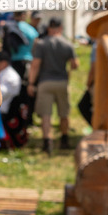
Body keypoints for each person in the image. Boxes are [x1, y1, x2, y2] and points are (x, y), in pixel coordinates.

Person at [27, 17, 78, 154]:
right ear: (61, 28)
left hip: (45, 82)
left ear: (49, 28)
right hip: (62, 82)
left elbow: (35, 65)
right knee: (64, 113)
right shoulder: (68, 44)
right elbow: (75, 64)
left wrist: (31, 83)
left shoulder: (42, 44)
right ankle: (64, 140)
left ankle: (47, 142)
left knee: (46, 115)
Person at [2, 10, 38, 79]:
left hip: (13, 60)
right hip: (28, 59)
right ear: (24, 15)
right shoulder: (31, 29)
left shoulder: (10, 26)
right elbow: (36, 43)